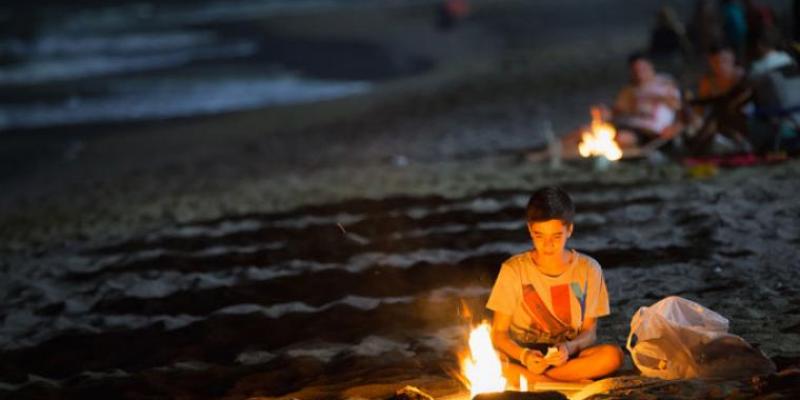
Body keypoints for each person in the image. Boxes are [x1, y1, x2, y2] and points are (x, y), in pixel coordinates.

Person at [487, 187, 623, 383]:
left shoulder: (588, 269)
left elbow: (589, 332)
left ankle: (541, 383)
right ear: (529, 229)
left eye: (556, 236)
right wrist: (524, 356)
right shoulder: (513, 270)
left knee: (613, 356)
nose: (547, 245)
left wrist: (568, 348)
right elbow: (499, 334)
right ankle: (562, 383)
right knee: (484, 359)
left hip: (568, 357)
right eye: (539, 236)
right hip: (524, 357)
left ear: (570, 229)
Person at [688, 44, 753, 153]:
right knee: (716, 111)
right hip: (719, 120)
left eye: (724, 60)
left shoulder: (740, 76)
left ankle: (697, 144)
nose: (721, 65)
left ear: (732, 59)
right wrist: (695, 118)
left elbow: (744, 97)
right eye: (716, 62)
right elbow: (701, 106)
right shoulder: (708, 81)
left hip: (744, 115)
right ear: (711, 62)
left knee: (719, 109)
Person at [611, 52, 683, 148]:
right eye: (635, 71)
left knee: (620, 138)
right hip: (627, 124)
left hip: (650, 129)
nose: (639, 74)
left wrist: (675, 127)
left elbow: (679, 107)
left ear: (650, 66)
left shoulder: (665, 84)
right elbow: (617, 110)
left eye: (642, 69)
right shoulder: (629, 90)